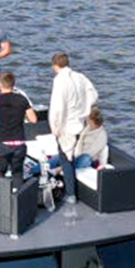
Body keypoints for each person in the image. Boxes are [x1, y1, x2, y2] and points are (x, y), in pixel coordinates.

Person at [47, 52, 99, 198]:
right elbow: (93, 95)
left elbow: (57, 107)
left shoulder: (59, 80)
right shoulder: (80, 77)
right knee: (73, 155)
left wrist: (55, 128)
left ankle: (71, 194)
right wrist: (84, 109)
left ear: (55, 66)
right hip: (80, 123)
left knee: (66, 159)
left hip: (66, 125)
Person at [0, 72, 36, 178]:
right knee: (18, 172)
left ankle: (1, 193)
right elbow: (33, 119)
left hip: (2, 144)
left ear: (0, 85)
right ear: (13, 84)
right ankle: (17, 191)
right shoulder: (22, 99)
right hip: (19, 144)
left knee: (0, 172)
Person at [73, 106, 109, 171]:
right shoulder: (87, 129)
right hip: (78, 155)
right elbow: (80, 143)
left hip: (91, 160)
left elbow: (91, 153)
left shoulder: (101, 136)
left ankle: (67, 168)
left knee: (85, 158)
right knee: (60, 158)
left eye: (88, 119)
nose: (86, 120)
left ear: (93, 120)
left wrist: (77, 158)